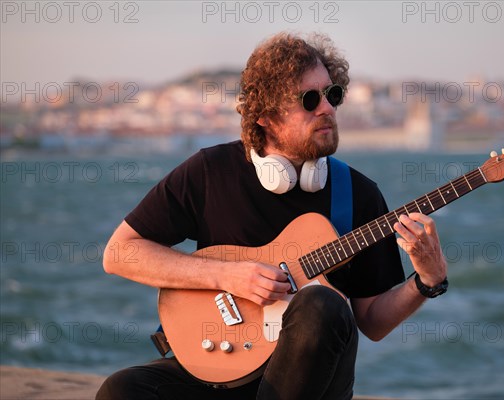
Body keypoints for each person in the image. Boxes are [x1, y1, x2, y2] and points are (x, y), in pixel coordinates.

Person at [96, 32, 447, 400]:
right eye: (309, 100)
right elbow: (120, 253)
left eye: (333, 94)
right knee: (121, 389)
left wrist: (426, 280)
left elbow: (373, 321)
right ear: (264, 116)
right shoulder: (209, 172)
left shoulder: (358, 193)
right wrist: (228, 274)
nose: (326, 108)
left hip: (313, 381)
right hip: (223, 369)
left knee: (321, 305)